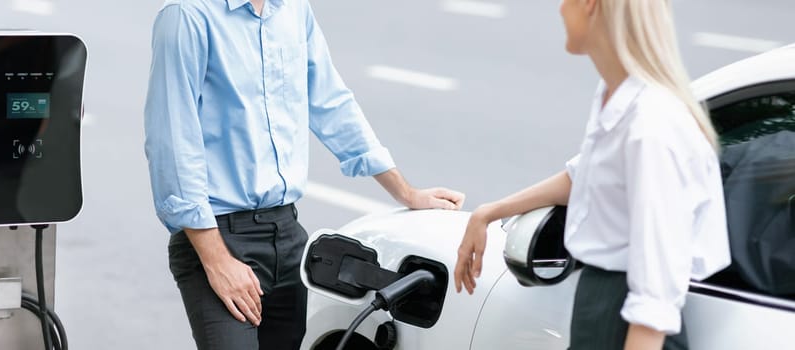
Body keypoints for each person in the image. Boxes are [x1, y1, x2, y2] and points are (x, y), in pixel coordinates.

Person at [143, 0, 465, 349]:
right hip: (219, 235)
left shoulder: (293, 9)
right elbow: (172, 142)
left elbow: (331, 102)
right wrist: (217, 260)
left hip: (287, 236)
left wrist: (405, 192)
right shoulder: (186, 15)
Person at [453, 0, 730, 349]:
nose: (559, 9)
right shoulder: (617, 98)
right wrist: (489, 213)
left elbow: (656, 297)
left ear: (591, 5)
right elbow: (586, 178)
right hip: (601, 311)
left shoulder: (651, 125)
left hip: (625, 324)